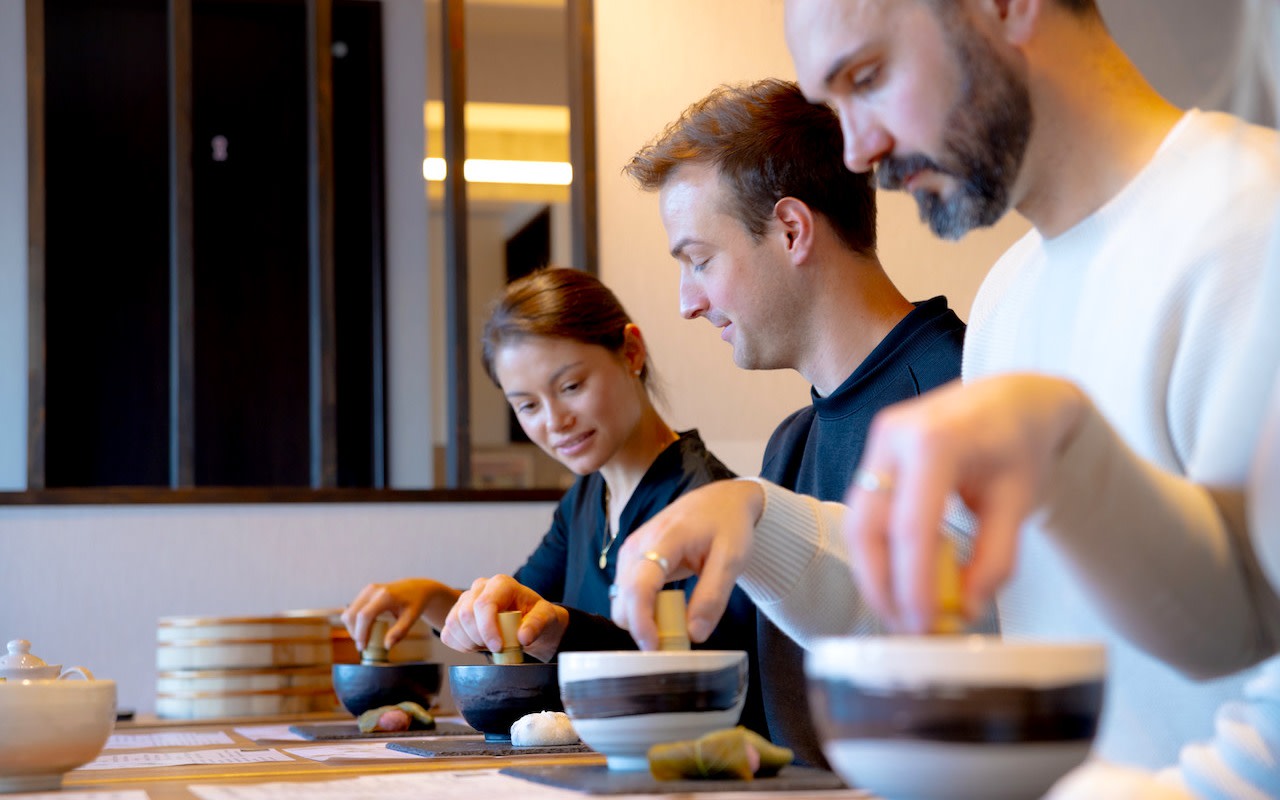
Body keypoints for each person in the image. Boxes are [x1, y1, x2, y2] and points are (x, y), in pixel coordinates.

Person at [609, 0, 1280, 769]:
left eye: (868, 76)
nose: (859, 153)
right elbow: (962, 612)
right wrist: (760, 521)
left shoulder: (1255, 224)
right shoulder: (1009, 295)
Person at [621, 77, 968, 765]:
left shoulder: (962, 396)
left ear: (790, 229)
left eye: (699, 260)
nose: (687, 303)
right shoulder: (792, 443)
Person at [341, 267, 766, 735]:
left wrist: (560, 630)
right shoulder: (586, 499)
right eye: (527, 406)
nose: (555, 421)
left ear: (631, 351)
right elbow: (514, 627)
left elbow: (697, 682)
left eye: (570, 387)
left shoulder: (706, 501)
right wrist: (432, 598)